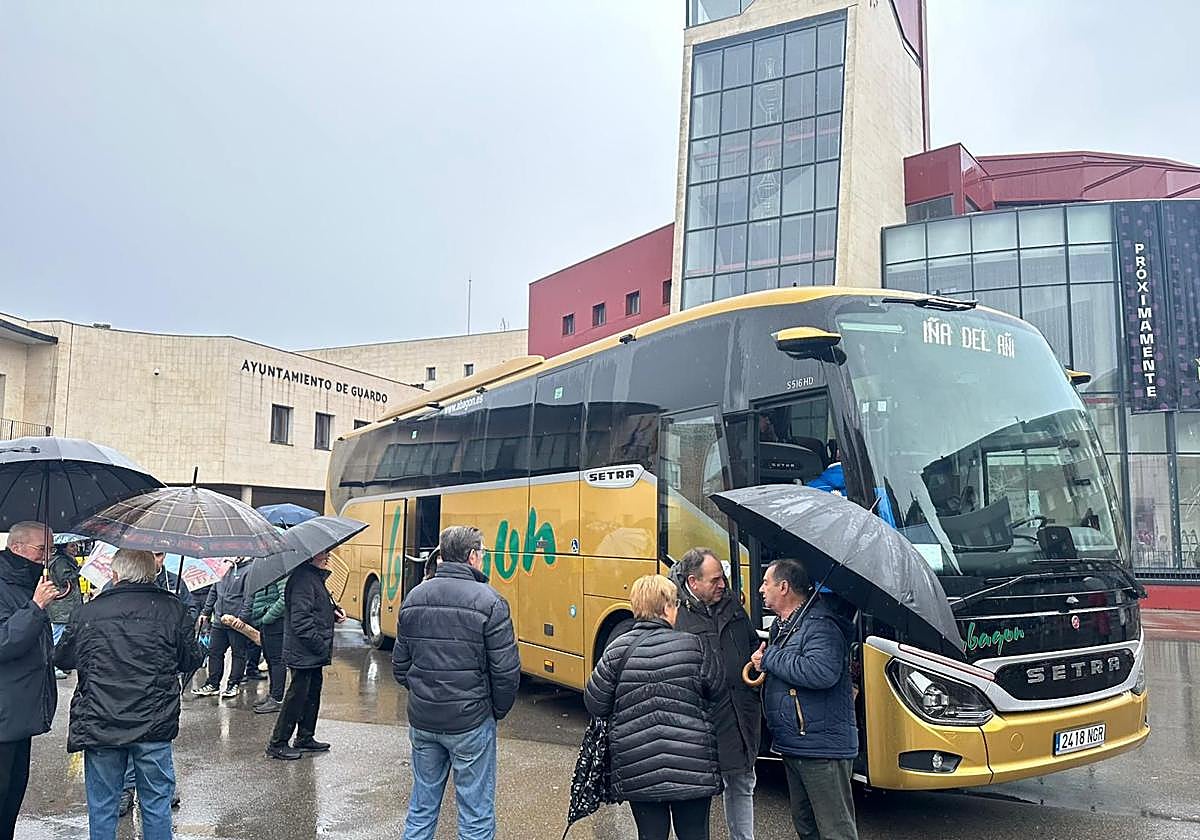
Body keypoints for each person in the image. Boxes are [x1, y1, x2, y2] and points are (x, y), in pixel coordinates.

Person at [54, 549, 203, 840]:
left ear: (115, 574)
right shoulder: (172, 609)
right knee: (156, 803)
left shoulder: (89, 612)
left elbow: (63, 658)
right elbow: (191, 660)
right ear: (153, 573)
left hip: (100, 721)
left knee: (103, 806)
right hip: (154, 723)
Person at [392, 526, 520, 840]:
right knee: (475, 815)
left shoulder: (415, 596)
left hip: (423, 719)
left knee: (421, 808)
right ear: (472, 556)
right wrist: (494, 711)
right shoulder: (491, 602)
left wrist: (423, 693)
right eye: (482, 554)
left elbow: (400, 666)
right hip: (471, 721)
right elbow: (506, 672)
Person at [585, 574, 726, 840]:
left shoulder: (616, 652)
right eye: (675, 604)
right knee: (695, 833)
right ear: (666, 608)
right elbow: (717, 690)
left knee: (650, 835)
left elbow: (595, 703)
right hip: (691, 766)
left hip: (638, 766)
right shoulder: (694, 646)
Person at [751, 559, 858, 840]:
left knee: (835, 830)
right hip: (796, 744)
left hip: (821, 749)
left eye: (766, 582)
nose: (760, 589)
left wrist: (770, 658)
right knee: (806, 825)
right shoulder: (785, 626)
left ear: (784, 587)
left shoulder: (821, 626)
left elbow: (822, 672)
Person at [669, 548, 760, 840]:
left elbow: (750, 643)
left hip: (739, 714)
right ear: (693, 582)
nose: (722, 585)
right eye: (714, 580)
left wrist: (757, 663)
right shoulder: (676, 614)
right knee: (698, 794)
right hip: (701, 721)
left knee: (742, 782)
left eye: (722, 578)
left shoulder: (732, 605)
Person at [114, 552, 195, 818]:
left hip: (159, 683)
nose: (157, 560)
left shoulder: (174, 583)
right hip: (124, 681)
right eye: (153, 555)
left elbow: (190, 617)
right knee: (129, 738)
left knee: (158, 739)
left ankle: (164, 789)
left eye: (160, 555)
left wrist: (181, 617)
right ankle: (127, 788)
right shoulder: (112, 589)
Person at [0, 522, 59, 840]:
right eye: (42, 549)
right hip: (4, 711)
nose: (47, 556)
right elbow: (4, 643)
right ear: (17, 548)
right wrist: (35, 607)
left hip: (22, 712)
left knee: (12, 797)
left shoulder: (29, 582)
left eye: (51, 549)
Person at [265, 552, 344, 760]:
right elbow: (301, 621)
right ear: (310, 556)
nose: (327, 557)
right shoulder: (303, 580)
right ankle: (278, 743)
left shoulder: (312, 577)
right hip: (304, 651)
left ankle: (305, 737)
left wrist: (333, 612)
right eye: (323, 553)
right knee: (296, 697)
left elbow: (316, 609)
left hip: (311, 652)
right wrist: (319, 645)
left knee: (311, 695)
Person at [195, 557, 252, 699]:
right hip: (219, 620)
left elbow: (249, 596)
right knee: (214, 652)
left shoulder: (248, 570)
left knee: (238, 654)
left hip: (236, 621)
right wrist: (206, 612)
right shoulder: (222, 568)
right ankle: (212, 683)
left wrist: (242, 617)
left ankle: (234, 684)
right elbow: (213, 591)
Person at [245, 575, 287, 714]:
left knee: (277, 661)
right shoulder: (265, 572)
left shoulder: (279, 573)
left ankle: (277, 699)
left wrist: (267, 617)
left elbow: (284, 597)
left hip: (275, 623)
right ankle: (273, 694)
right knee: (270, 660)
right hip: (265, 623)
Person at [46, 539, 83, 679]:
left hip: (66, 605)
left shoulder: (65, 560)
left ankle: (61, 664)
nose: (75, 548)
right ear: (64, 547)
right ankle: (54, 666)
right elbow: (63, 579)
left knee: (64, 634)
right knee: (59, 634)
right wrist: (78, 572)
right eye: (72, 546)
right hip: (62, 606)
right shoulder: (61, 561)